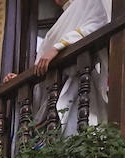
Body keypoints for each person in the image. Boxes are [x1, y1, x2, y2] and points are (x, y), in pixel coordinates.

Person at [30, 0, 112, 136]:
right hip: (55, 95)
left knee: (80, 138)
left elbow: (98, 22)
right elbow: (41, 65)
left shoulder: (87, 2)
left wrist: (58, 47)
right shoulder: (58, 24)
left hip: (82, 87)